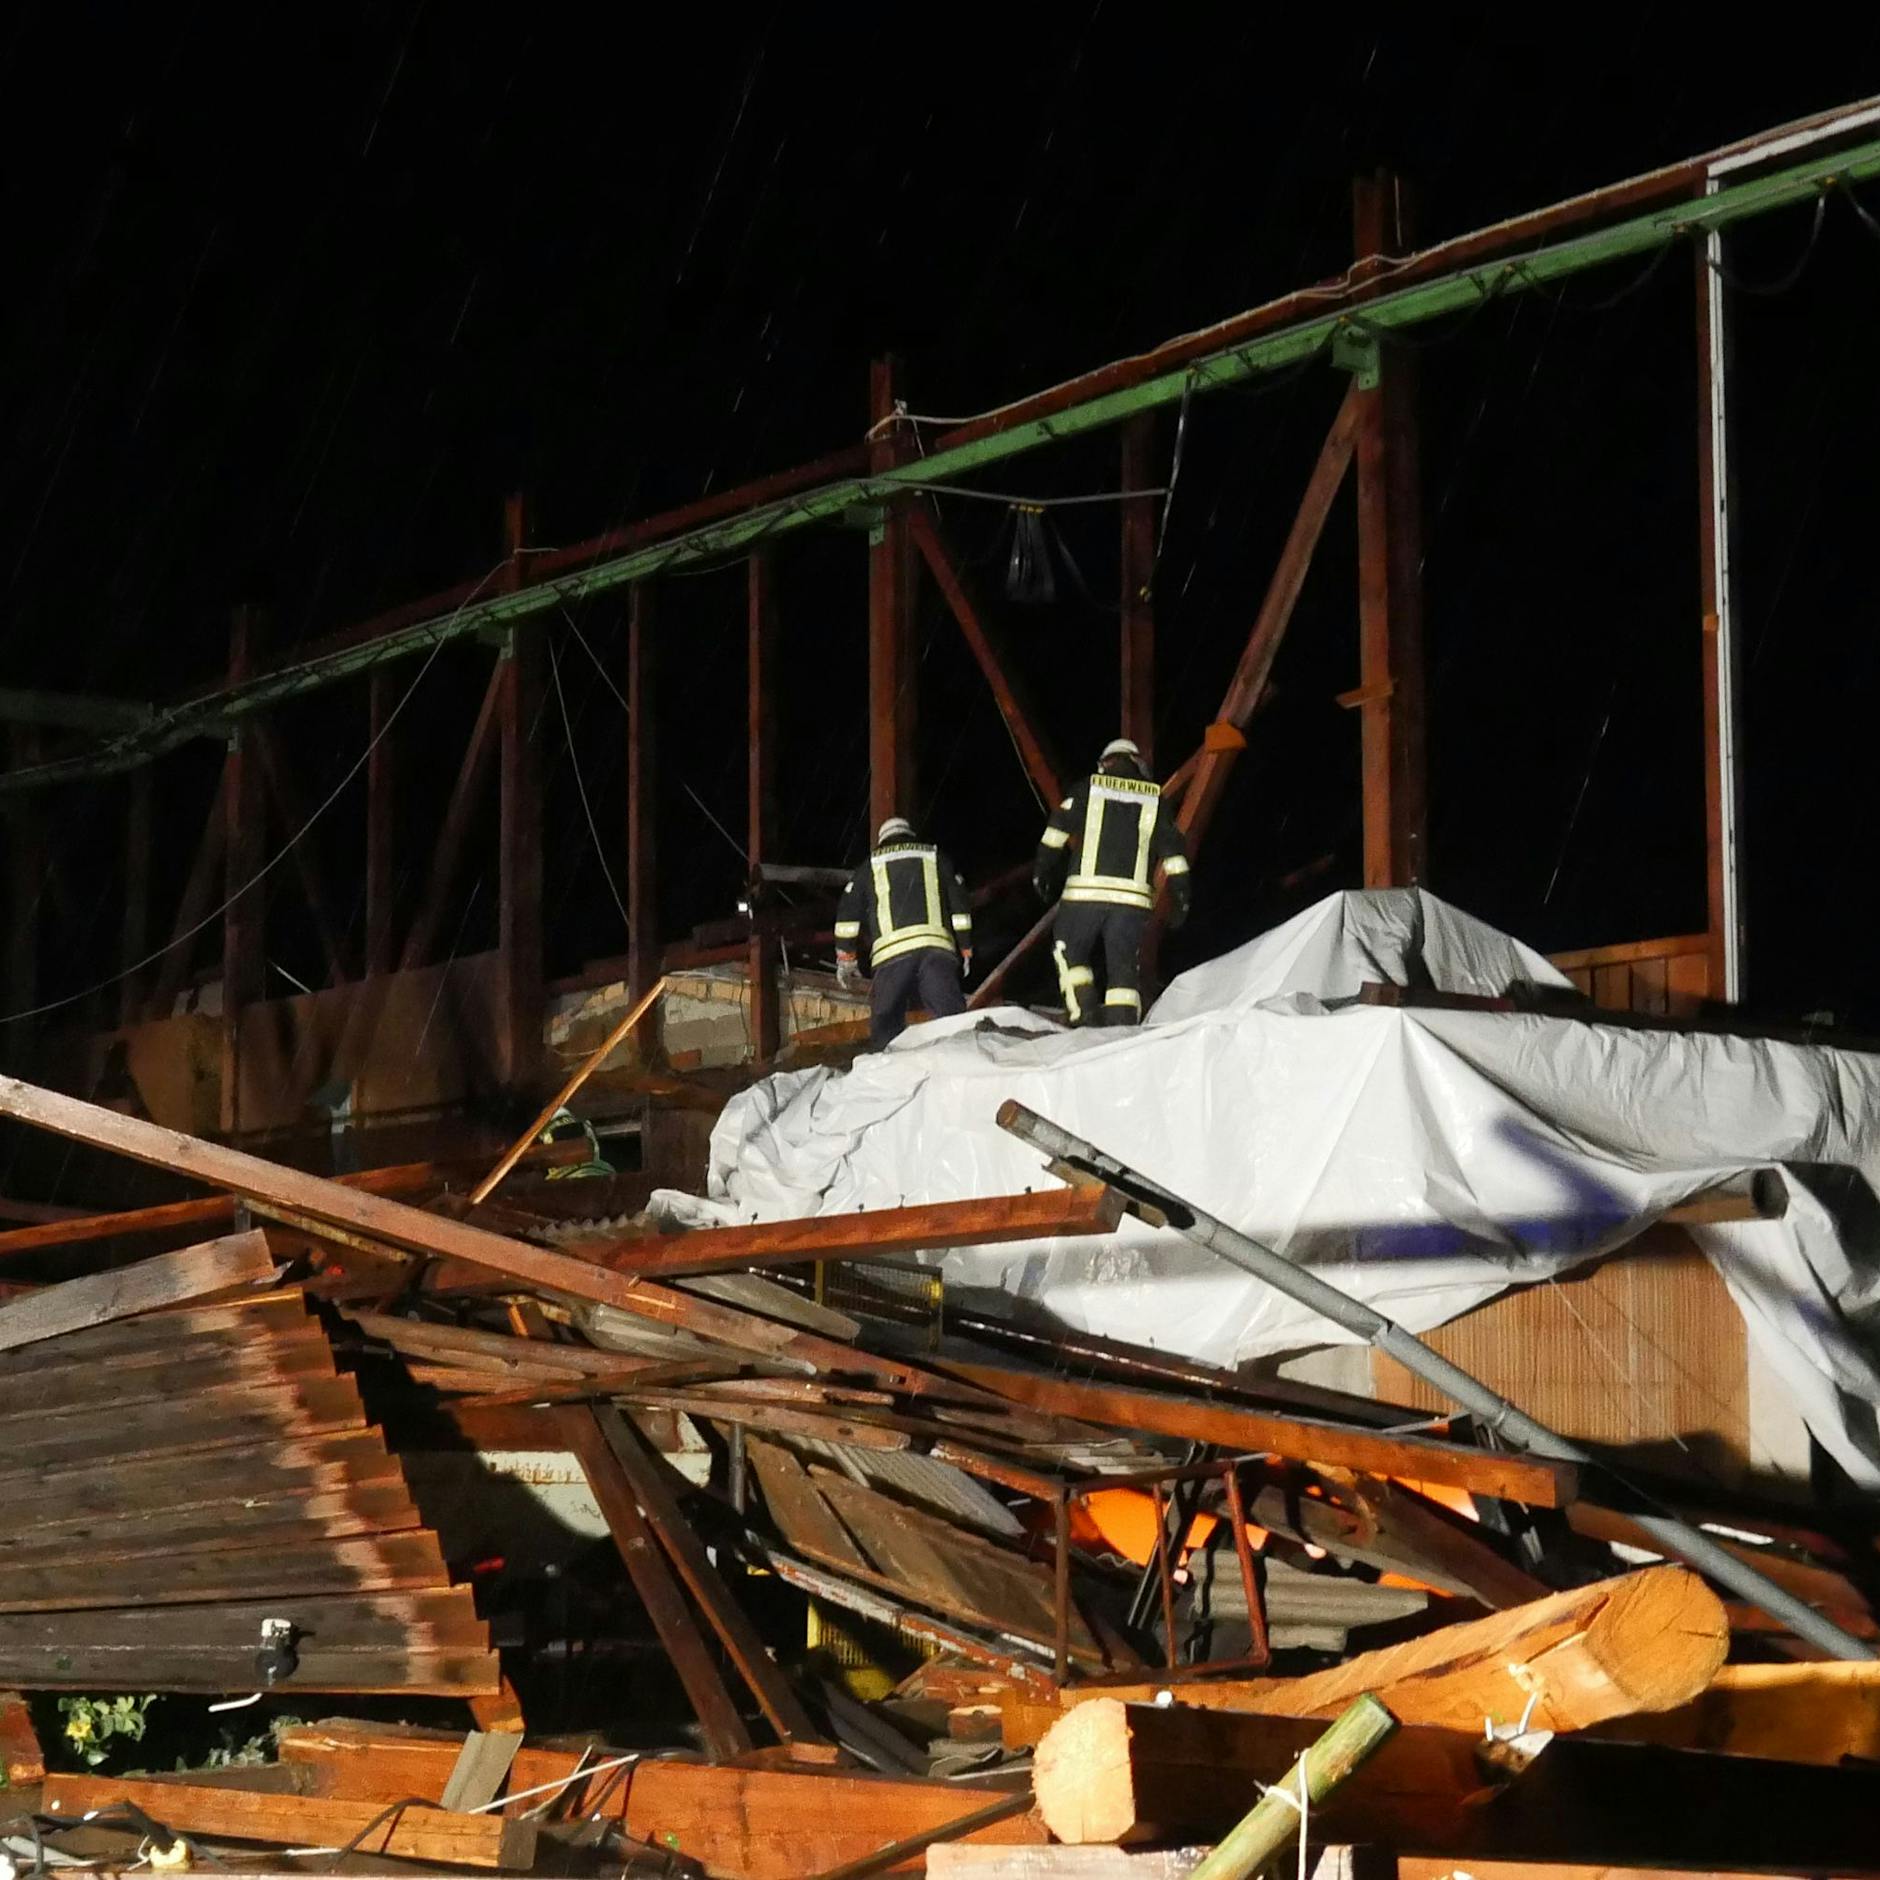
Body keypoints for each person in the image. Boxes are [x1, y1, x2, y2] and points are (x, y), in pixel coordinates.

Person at [1033, 737, 1190, 1026]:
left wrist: (1042, 870)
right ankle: (1122, 1028)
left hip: (1084, 898)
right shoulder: (1155, 799)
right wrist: (1181, 896)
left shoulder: (1087, 788)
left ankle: (1084, 1015)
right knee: (1123, 967)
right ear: (1137, 764)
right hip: (1131, 904)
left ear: (1105, 763)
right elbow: (1174, 854)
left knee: (1069, 951)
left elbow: (1056, 831)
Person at [834, 817, 974, 1048]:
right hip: (936, 951)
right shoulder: (936, 858)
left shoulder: (870, 865)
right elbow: (960, 906)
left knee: (885, 1026)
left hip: (892, 955)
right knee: (953, 1021)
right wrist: (966, 947)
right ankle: (964, 1067)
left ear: (882, 840)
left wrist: (846, 958)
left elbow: (847, 915)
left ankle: (887, 1072)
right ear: (910, 835)